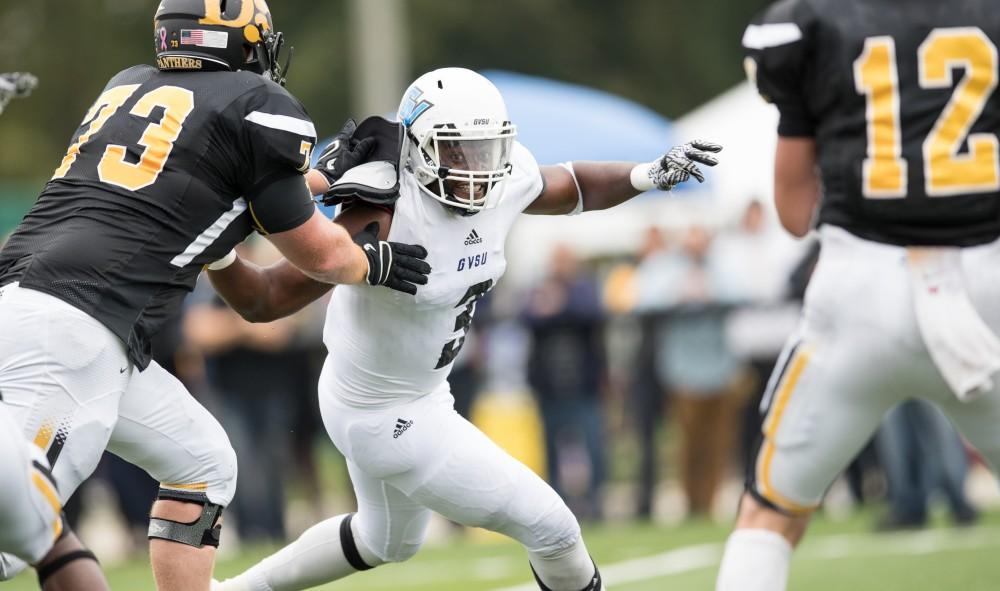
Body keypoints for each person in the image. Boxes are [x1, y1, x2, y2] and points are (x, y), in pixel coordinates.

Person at [209, 67, 721, 591]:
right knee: (554, 527)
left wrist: (647, 175)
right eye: (457, 152)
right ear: (420, 148)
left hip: (413, 392)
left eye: (485, 151)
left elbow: (571, 185)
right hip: (385, 414)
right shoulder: (381, 213)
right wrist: (216, 251)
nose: (476, 169)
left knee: (384, 540)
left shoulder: (500, 178)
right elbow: (265, 299)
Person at [0, 1, 429, 590]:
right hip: (74, 328)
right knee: (18, 535)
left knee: (201, 462)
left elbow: (215, 181)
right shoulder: (260, 108)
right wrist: (371, 262)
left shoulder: (128, 87)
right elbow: (322, 254)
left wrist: (326, 176)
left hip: (46, 307)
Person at [717, 1, 1000, 589]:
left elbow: (795, 214)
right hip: (988, 284)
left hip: (860, 290)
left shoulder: (812, 20)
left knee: (770, 512)